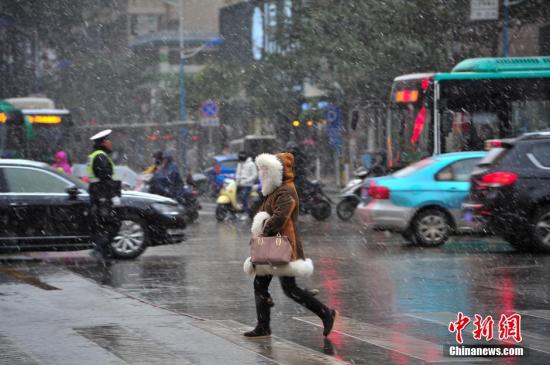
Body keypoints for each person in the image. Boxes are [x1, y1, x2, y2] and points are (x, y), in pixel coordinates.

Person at [243, 152, 337, 338]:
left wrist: (264, 230)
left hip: (281, 244)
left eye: (265, 170)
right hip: (272, 243)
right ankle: (263, 326)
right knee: (261, 284)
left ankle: (326, 313)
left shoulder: (286, 191)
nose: (262, 174)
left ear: (277, 171)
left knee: (289, 289)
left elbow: (280, 217)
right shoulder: (275, 190)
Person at [87, 129, 121, 261]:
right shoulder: (101, 157)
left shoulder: (95, 155)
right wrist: (113, 196)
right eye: (108, 140)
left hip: (97, 194)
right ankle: (99, 249)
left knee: (102, 225)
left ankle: (105, 255)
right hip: (103, 196)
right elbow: (106, 178)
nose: (110, 142)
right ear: (103, 142)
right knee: (113, 224)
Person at [235, 150, 258, 219]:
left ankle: (246, 212)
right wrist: (237, 179)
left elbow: (254, 175)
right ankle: (236, 211)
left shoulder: (251, 164)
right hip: (239, 184)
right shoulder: (239, 163)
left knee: (243, 196)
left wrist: (246, 181)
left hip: (248, 185)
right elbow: (238, 173)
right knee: (235, 197)